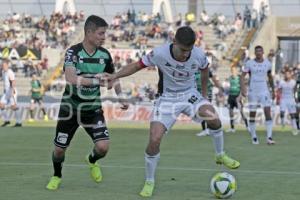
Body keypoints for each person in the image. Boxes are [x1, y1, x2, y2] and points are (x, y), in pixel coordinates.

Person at [103, 26, 240, 197]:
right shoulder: (159, 53)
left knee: (214, 119)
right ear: (174, 41)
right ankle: (149, 181)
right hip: (166, 99)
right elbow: (137, 66)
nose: (185, 54)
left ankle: (220, 155)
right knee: (154, 139)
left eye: (188, 51)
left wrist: (204, 95)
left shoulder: (198, 54)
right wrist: (115, 76)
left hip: (189, 95)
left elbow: (205, 70)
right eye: (182, 50)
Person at [46, 15, 128, 190]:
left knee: (103, 147)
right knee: (59, 150)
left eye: (104, 33)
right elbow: (70, 77)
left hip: (92, 109)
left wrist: (121, 96)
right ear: (89, 32)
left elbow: (113, 78)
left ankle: (91, 160)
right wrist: (97, 81)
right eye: (100, 33)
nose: (103, 37)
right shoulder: (73, 52)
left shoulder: (105, 55)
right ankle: (57, 175)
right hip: (70, 109)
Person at [240, 45, 275, 145]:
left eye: (260, 51)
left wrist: (273, 90)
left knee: (267, 112)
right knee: (252, 114)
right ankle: (254, 137)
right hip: (253, 91)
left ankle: (269, 137)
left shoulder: (268, 64)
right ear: (255, 53)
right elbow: (242, 77)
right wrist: (243, 89)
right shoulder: (249, 63)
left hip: (264, 90)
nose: (258, 53)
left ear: (263, 52)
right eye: (257, 51)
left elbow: (270, 77)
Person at [195, 66, 224, 136]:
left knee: (206, 110)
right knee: (200, 111)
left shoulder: (206, 69)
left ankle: (209, 129)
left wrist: (219, 89)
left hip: (207, 92)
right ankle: (205, 129)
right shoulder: (193, 69)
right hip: (197, 93)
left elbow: (213, 79)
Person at [0, 58, 22, 127]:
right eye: (2, 65)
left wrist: (12, 91)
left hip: (12, 91)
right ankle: (7, 120)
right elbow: (5, 82)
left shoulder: (10, 72)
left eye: (3, 65)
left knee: (14, 106)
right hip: (6, 92)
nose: (2, 66)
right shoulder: (3, 72)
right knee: (1, 104)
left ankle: (19, 122)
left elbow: (13, 82)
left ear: (7, 65)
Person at [226, 67, 248, 133]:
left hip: (237, 97)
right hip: (231, 97)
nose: (233, 72)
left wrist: (240, 96)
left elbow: (242, 88)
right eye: (232, 71)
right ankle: (232, 128)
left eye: (234, 71)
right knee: (230, 112)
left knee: (241, 112)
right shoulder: (230, 78)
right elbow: (229, 87)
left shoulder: (239, 78)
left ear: (236, 71)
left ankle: (248, 126)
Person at [278, 69, 299, 135]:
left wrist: (295, 98)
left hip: (291, 99)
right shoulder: (281, 82)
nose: (286, 75)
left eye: (288, 74)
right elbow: (279, 91)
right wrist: (279, 99)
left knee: (292, 115)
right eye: (285, 74)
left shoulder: (293, 82)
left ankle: (295, 129)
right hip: (283, 99)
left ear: (290, 75)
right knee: (282, 113)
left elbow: (295, 90)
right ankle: (283, 124)